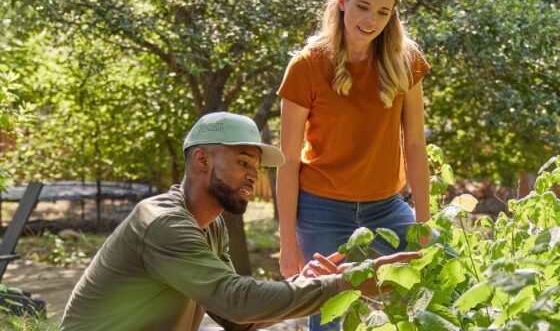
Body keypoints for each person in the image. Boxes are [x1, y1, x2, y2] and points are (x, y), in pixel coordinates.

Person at [60, 112, 419, 331]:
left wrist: (302, 284)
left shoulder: (211, 226)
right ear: (202, 160)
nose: (253, 176)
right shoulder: (163, 223)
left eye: (256, 168)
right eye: (243, 162)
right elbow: (237, 301)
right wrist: (347, 283)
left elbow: (239, 320)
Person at [276, 0, 431, 330]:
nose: (371, 20)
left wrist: (424, 223)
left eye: (383, 11)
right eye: (363, 6)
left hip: (387, 208)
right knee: (330, 320)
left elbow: (414, 144)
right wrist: (287, 241)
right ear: (342, 2)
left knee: (441, 281)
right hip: (321, 210)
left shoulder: (405, 61)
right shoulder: (307, 66)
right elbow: (286, 161)